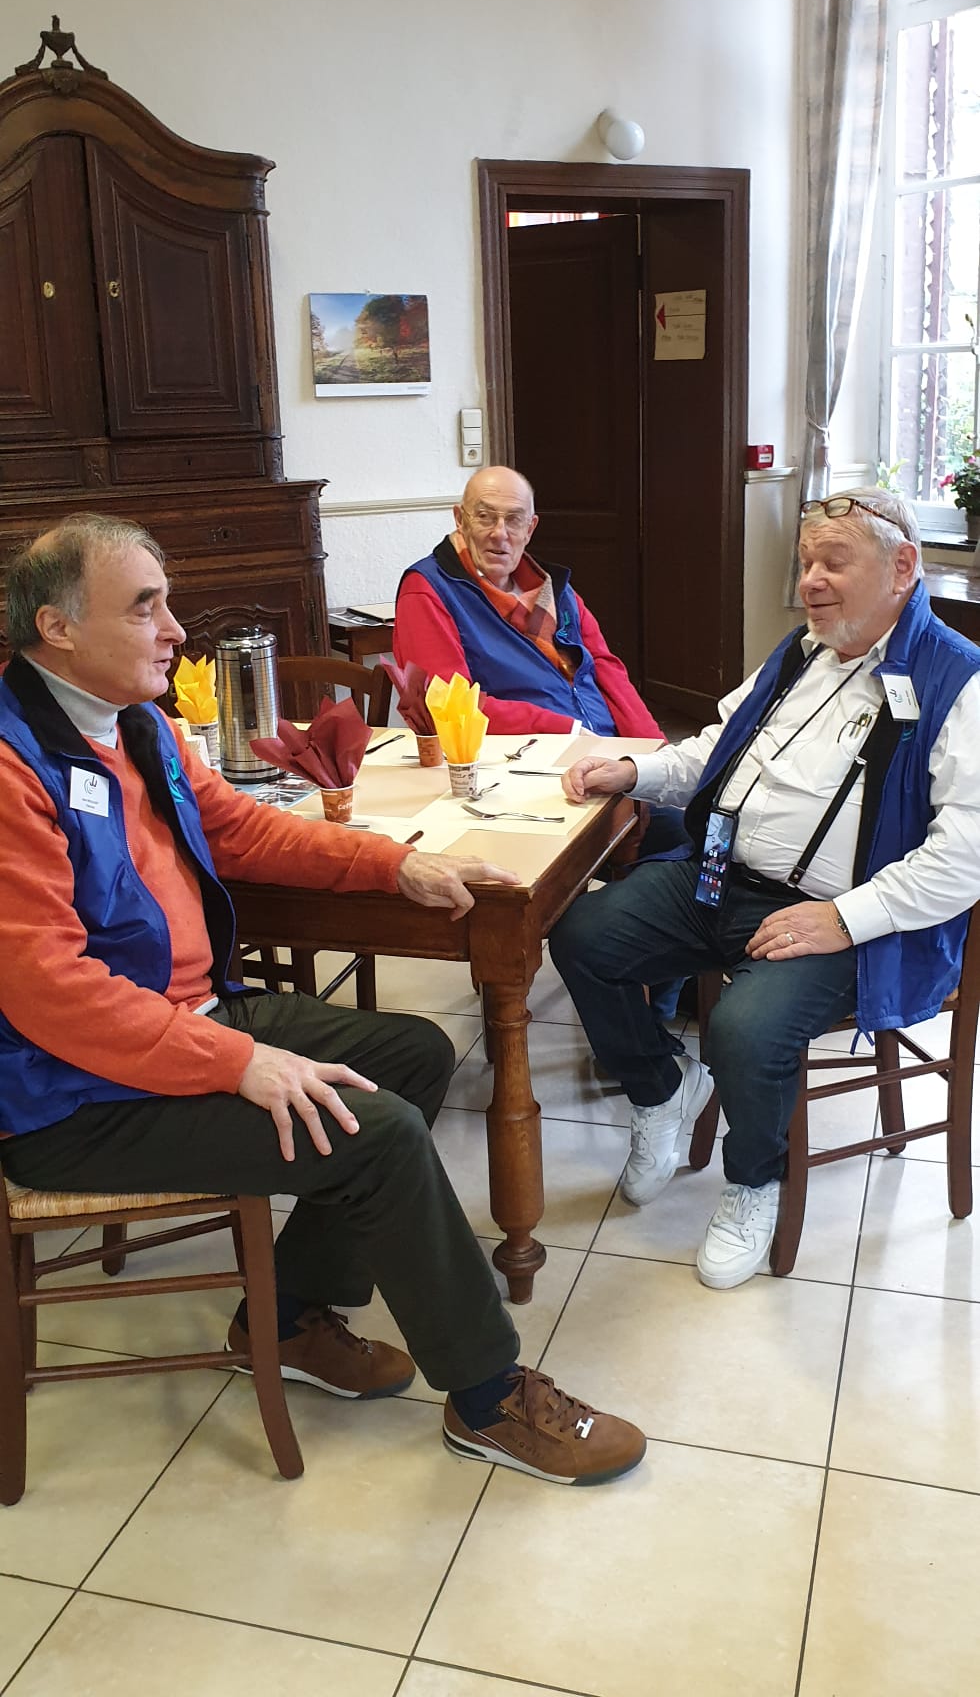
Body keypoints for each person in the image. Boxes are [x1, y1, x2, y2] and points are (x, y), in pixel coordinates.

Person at [0, 514, 645, 1486]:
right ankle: (487, 1398)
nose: (174, 631)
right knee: (375, 1134)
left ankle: (288, 1318)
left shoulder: (134, 722)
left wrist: (394, 864)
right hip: (70, 1095)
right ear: (56, 628)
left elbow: (240, 829)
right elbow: (52, 995)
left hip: (180, 1022)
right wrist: (240, 1061)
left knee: (416, 1054)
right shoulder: (12, 765)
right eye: (143, 608)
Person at [550, 491, 980, 1287]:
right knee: (582, 936)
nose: (809, 581)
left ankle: (753, 1185)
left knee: (743, 1031)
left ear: (902, 568)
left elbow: (966, 857)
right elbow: (717, 751)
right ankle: (661, 1089)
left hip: (847, 919)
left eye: (833, 563)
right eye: (806, 563)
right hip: (721, 878)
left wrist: (844, 918)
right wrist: (635, 771)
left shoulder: (959, 679)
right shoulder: (800, 653)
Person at [394, 466, 663, 738]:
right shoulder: (428, 590)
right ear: (460, 520)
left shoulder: (554, 588)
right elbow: (448, 704)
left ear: (530, 529)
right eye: (485, 517)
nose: (500, 533)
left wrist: (654, 747)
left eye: (514, 520)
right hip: (528, 752)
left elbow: (606, 668)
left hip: (603, 745)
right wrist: (566, 730)